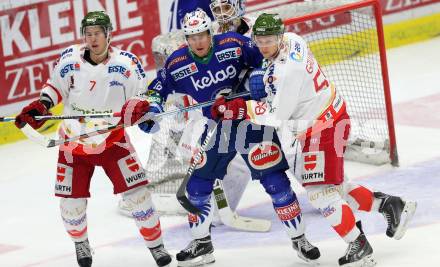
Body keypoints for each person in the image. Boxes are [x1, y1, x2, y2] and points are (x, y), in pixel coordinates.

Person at [139, 9, 320, 266]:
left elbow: (268, 58)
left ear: (210, 33)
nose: (198, 41)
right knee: (197, 188)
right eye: (192, 37)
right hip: (216, 128)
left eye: (202, 35)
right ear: (186, 39)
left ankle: (299, 239)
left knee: (276, 182)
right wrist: (152, 109)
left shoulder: (234, 44)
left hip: (251, 121)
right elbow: (158, 88)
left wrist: (258, 78)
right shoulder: (177, 63)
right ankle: (202, 245)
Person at [235, 13, 417, 266]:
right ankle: (390, 205)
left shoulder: (286, 73)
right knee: (336, 184)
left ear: (279, 37)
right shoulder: (292, 38)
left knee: (319, 192)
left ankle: (358, 245)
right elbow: (266, 39)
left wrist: (241, 107)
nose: (264, 46)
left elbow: (276, 117)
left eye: (269, 41)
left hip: (323, 127)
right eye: (260, 40)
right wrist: (251, 28)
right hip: (329, 116)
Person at [14, 11, 172, 267]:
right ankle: (81, 245)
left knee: (138, 196)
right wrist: (42, 106)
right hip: (73, 143)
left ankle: (157, 247)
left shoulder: (128, 64)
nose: (93, 38)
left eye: (98, 33)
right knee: (71, 205)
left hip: (113, 140)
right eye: (88, 34)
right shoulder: (69, 59)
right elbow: (54, 87)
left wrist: (143, 111)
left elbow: (143, 97)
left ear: (109, 34)